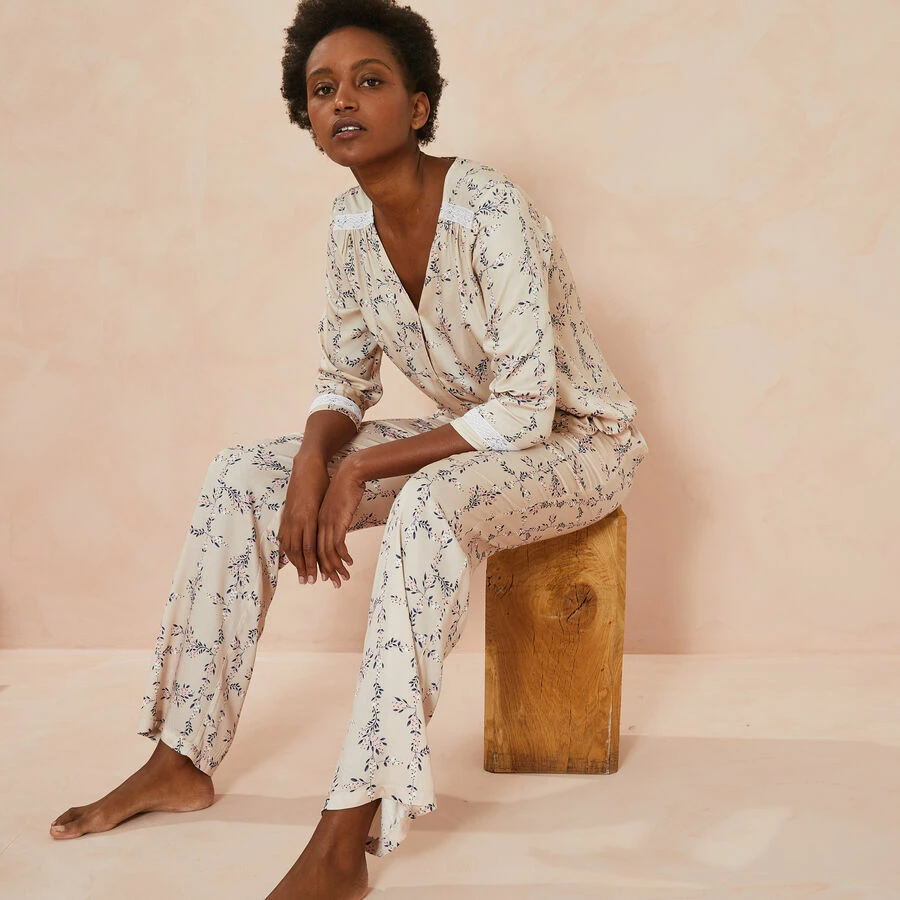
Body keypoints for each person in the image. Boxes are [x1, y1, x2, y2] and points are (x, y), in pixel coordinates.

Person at [49, 0, 649, 897]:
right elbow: (342, 379)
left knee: (428, 504)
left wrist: (360, 465)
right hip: (476, 438)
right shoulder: (346, 226)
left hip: (579, 445)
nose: (343, 101)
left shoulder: (490, 208)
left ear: (418, 105)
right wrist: (308, 466)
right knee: (242, 474)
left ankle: (347, 832)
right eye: (322, 88)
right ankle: (181, 756)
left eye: (369, 81)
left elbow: (527, 409)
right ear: (307, 117)